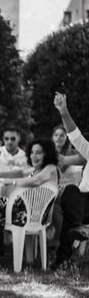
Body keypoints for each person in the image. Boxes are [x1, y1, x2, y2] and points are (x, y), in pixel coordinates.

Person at [0, 139, 59, 264]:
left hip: (34, 216)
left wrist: (13, 183)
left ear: (47, 154)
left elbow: (36, 181)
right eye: (32, 152)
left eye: (38, 153)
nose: (34, 156)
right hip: (25, 212)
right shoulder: (35, 169)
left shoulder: (50, 168)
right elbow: (19, 172)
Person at [52, 93, 89, 267]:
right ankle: (79, 228)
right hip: (81, 201)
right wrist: (63, 110)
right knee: (71, 191)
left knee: (70, 216)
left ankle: (62, 260)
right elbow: (75, 135)